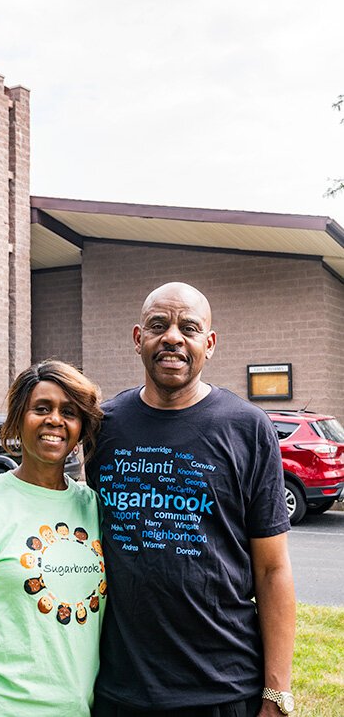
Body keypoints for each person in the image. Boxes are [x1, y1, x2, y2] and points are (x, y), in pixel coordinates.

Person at [86, 282, 296, 717]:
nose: (173, 338)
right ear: (137, 338)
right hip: (120, 688)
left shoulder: (248, 429)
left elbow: (273, 569)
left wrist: (276, 694)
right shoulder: (103, 427)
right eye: (158, 325)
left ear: (210, 343)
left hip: (223, 688)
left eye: (189, 327)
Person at [0, 360, 106, 717]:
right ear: (18, 419)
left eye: (69, 412)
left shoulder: (94, 507)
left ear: (80, 428)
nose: (55, 420)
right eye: (41, 408)